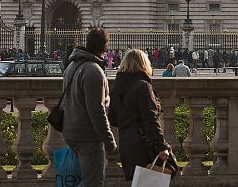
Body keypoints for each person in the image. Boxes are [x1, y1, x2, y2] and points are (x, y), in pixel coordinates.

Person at [61, 27, 117, 187]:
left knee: (85, 180)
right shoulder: (93, 70)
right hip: (88, 135)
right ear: (104, 46)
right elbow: (96, 110)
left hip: (71, 131)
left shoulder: (72, 66)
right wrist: (109, 139)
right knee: (93, 182)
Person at [109, 49, 172, 180]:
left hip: (126, 145)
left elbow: (113, 119)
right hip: (144, 147)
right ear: (144, 64)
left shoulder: (116, 87)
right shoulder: (143, 86)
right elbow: (150, 119)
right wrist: (161, 146)